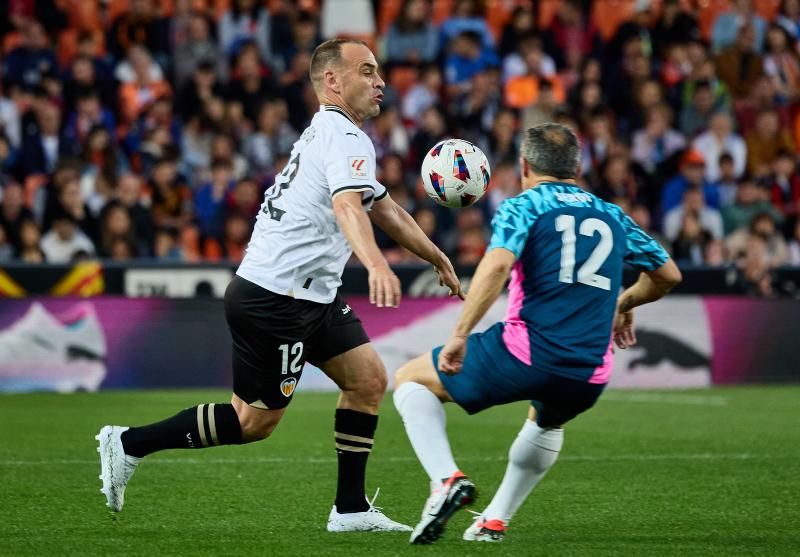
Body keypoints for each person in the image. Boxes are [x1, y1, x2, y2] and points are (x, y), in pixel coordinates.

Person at [96, 39, 463, 533]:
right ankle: (127, 444)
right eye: (368, 71)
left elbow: (384, 207)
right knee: (252, 424)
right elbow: (347, 208)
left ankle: (350, 510)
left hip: (311, 295)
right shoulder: (344, 137)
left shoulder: (335, 133)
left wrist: (436, 257)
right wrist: (376, 264)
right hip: (276, 299)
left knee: (368, 381)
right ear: (332, 81)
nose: (381, 83)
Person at [392, 123, 682, 544]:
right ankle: (494, 521)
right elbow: (667, 274)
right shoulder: (614, 215)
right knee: (546, 421)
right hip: (590, 372)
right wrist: (624, 303)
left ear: (525, 165)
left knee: (409, 380)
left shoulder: (524, 205)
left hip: (527, 352)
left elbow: (495, 267)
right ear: (577, 167)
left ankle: (445, 480)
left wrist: (459, 333)